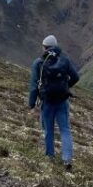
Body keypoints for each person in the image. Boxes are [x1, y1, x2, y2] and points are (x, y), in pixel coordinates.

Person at [29, 35, 80, 171]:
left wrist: (32, 104)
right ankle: (67, 159)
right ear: (56, 46)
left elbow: (34, 86)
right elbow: (76, 77)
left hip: (47, 102)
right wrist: (65, 86)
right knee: (65, 130)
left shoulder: (38, 62)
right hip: (62, 101)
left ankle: (50, 156)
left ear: (44, 47)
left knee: (48, 130)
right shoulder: (64, 60)